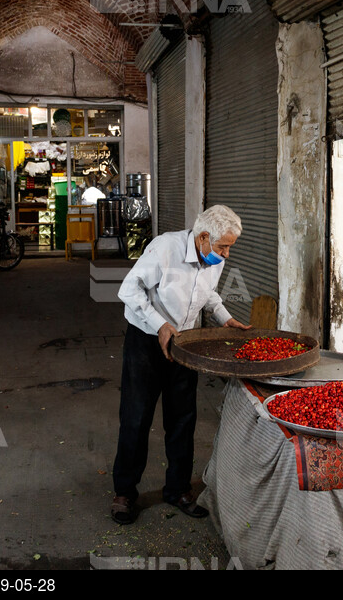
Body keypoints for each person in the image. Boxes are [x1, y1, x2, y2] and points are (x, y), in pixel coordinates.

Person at [112, 204, 251, 525]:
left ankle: (177, 489)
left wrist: (225, 318)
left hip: (185, 344)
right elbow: (128, 289)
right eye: (223, 247)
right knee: (136, 418)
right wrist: (159, 323)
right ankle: (124, 492)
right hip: (146, 342)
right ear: (203, 237)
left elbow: (209, 293)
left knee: (182, 419)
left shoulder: (211, 257)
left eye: (229, 247)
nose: (227, 254)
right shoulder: (165, 248)